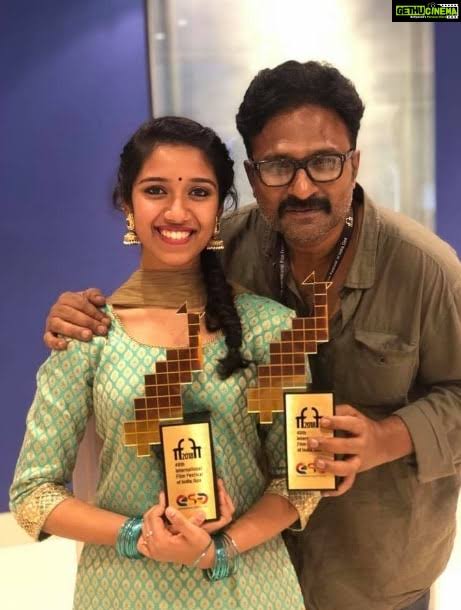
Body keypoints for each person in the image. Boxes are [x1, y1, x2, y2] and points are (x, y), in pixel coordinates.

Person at [42, 60, 461, 610]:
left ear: (354, 162)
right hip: (243, 568)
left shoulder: (426, 269)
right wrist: (79, 313)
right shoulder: (223, 245)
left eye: (324, 162)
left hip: (374, 566)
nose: (303, 187)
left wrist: (388, 437)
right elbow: (150, 306)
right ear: (252, 172)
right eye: (278, 167)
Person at [10, 116, 325, 610]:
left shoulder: (272, 329)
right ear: (127, 203)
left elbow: (303, 481)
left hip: (247, 586)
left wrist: (219, 549)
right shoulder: (90, 333)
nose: (177, 211)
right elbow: (32, 495)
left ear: (220, 208)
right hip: (123, 590)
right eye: (156, 190)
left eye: (198, 192)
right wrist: (139, 535)